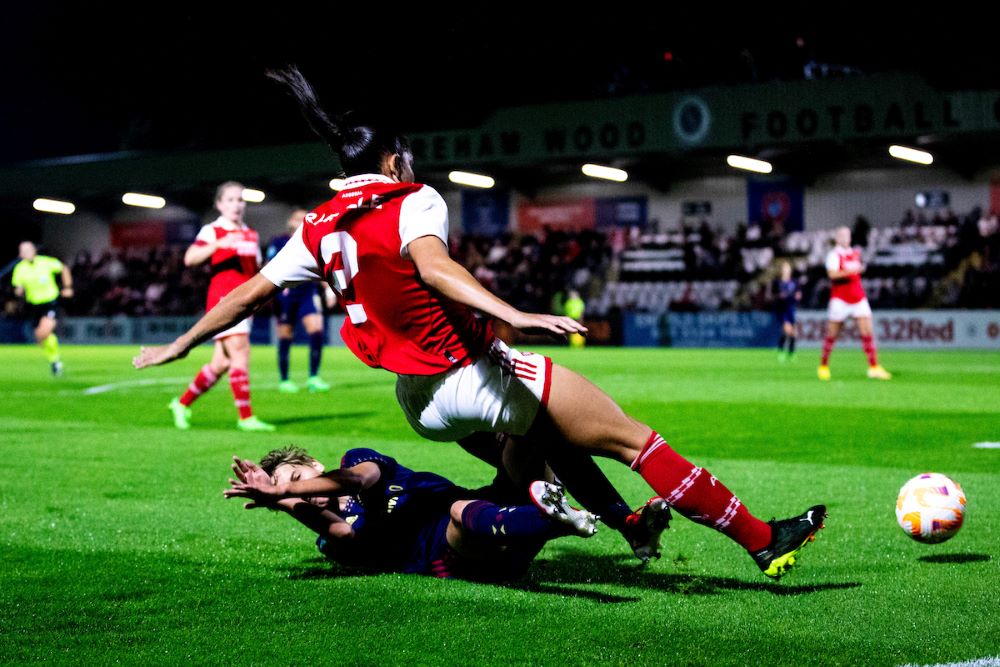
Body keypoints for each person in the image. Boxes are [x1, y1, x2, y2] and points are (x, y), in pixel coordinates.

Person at [135, 65, 825, 580]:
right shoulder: (413, 198)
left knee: (552, 445)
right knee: (632, 439)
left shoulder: (316, 226)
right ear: (389, 158)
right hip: (468, 372)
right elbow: (434, 269)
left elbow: (243, 297)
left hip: (419, 403)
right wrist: (514, 313)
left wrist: (178, 343)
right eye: (403, 152)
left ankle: (618, 526)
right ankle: (764, 539)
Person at [223, 445, 599, 581]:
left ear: (314, 464)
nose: (303, 493)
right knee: (456, 513)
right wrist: (281, 499)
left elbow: (357, 480)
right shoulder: (330, 537)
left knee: (523, 437)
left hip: (490, 507)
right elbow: (345, 535)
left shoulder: (354, 461)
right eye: (293, 492)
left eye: (298, 477)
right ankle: (553, 518)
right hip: (461, 554)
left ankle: (616, 519)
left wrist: (284, 489)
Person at [167, 182, 275, 432]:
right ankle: (246, 417)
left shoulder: (251, 233)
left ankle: (181, 404)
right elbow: (190, 258)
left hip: (245, 302)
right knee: (240, 352)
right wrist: (219, 244)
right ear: (219, 204)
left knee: (220, 364)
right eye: (230, 200)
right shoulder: (213, 230)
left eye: (240, 199)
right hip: (223, 301)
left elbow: (254, 271)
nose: (236, 205)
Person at [266, 208, 333, 393]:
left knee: (316, 330)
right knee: (286, 336)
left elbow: (321, 268)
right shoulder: (279, 241)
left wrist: (329, 291)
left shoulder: (312, 242)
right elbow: (269, 266)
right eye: (298, 219)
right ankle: (285, 380)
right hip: (286, 294)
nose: (301, 222)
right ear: (290, 222)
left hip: (307, 292)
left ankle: (313, 377)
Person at [818, 226, 891, 381]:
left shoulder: (855, 253)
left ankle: (874, 367)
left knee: (867, 332)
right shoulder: (834, 255)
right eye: (843, 236)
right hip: (840, 298)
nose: (846, 238)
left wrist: (858, 270)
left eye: (848, 235)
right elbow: (832, 274)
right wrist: (851, 272)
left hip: (858, 296)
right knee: (832, 334)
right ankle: (823, 365)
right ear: (837, 238)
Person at [11, 241, 72, 376]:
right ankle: (55, 361)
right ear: (20, 254)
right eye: (24, 251)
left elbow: (64, 268)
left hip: (50, 303)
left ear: (34, 250)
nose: (27, 253)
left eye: (29, 250)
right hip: (33, 306)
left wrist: (67, 287)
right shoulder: (20, 269)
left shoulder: (46, 262)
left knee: (43, 333)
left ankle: (55, 361)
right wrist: (19, 291)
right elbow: (18, 287)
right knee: (41, 337)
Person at [773, 261, 800, 362]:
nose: (786, 269)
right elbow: (773, 295)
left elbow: (798, 293)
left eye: (788, 267)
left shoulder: (794, 282)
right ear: (781, 270)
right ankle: (781, 353)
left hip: (791, 308)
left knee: (793, 333)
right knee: (787, 330)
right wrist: (780, 296)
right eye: (784, 268)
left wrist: (797, 296)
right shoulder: (777, 282)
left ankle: (790, 353)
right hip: (781, 309)